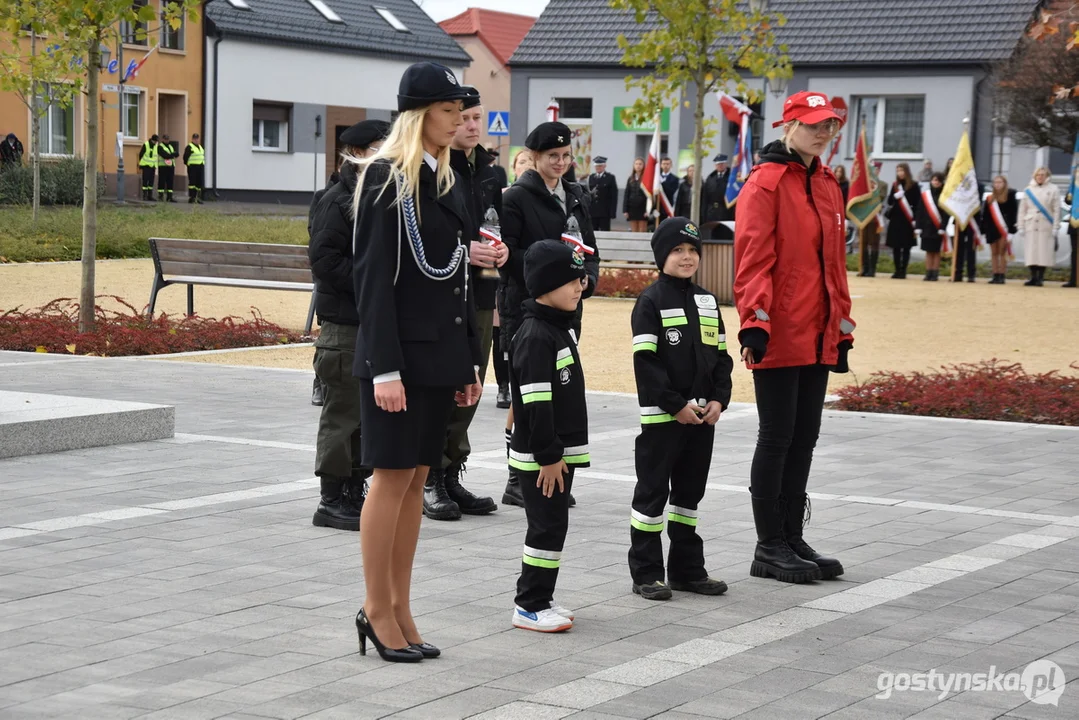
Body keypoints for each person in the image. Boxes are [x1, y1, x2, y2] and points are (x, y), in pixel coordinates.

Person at [350, 61, 481, 663]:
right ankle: (376, 608)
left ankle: (401, 606)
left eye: (460, 111)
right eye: (449, 110)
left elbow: (451, 281)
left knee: (417, 480)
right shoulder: (385, 179)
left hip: (436, 356)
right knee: (390, 478)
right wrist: (383, 368)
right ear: (419, 114)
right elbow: (373, 280)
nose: (458, 120)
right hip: (398, 359)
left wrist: (467, 363)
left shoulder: (442, 178)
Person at [734, 90, 854, 585]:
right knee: (777, 437)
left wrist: (842, 327)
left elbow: (834, 267)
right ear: (790, 126)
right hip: (780, 330)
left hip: (819, 331)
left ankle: (790, 534)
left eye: (829, 126)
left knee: (805, 438)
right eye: (814, 126)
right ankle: (768, 545)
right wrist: (755, 323)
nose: (823, 134)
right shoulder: (765, 184)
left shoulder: (827, 182)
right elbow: (753, 260)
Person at [628, 217, 733, 601]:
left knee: (689, 497)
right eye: (677, 251)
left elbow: (721, 355)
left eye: (692, 251)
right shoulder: (650, 301)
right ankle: (647, 573)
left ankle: (688, 570)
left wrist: (720, 398)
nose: (687, 258)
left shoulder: (707, 300)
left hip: (703, 419)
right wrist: (675, 405)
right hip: (664, 419)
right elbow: (647, 364)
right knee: (652, 496)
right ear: (661, 256)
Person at [498, 121, 600, 509]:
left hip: (567, 308)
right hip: (527, 309)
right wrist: (553, 269)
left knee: (559, 386)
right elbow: (507, 255)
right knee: (528, 392)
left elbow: (589, 249)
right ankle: (517, 475)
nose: (560, 162)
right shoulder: (517, 199)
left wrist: (586, 279)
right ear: (535, 158)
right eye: (551, 156)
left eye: (565, 156)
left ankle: (551, 472)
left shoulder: (576, 195)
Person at [424, 86, 505, 521]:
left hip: (483, 292)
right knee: (442, 386)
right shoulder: (434, 167)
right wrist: (463, 247)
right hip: (444, 292)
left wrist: (504, 250)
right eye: (463, 117)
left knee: (471, 386)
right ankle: (429, 476)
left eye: (476, 118)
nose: (470, 126)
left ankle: (452, 470)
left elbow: (500, 226)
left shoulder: (492, 172)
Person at [307, 119, 390, 532]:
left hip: (367, 323)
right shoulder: (336, 200)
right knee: (342, 415)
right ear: (356, 154)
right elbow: (324, 261)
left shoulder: (376, 197)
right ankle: (331, 498)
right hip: (344, 325)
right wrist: (372, 284)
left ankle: (354, 489)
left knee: (363, 417)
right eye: (379, 149)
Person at [508, 240, 589, 632]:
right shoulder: (537, 335)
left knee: (554, 524)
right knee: (546, 526)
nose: (580, 286)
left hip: (555, 452)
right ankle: (530, 604)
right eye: (571, 281)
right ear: (544, 285)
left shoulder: (557, 328)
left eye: (581, 278)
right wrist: (549, 455)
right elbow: (536, 403)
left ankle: (542, 596)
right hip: (544, 456)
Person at [1018, 166, 1062, 287]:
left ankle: (1040, 277)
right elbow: (1022, 210)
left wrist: (1055, 227)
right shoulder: (1028, 190)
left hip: (1046, 223)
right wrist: (1020, 226)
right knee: (1031, 252)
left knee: (1044, 251)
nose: (1040, 177)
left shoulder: (1053, 189)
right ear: (1034, 176)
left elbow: (1057, 209)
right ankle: (1033, 277)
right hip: (1031, 223)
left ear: (1047, 176)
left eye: (1043, 175)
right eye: (1038, 175)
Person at [981, 175, 1019, 285]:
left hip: (1004, 228)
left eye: (1000, 182)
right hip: (991, 229)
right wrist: (983, 230)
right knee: (994, 253)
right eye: (995, 182)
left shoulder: (1010, 197)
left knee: (1002, 252)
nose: (997, 184)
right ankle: (995, 274)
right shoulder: (989, 198)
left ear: (1004, 183)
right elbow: (985, 215)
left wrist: (1011, 231)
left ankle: (1002, 275)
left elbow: (1013, 214)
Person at [885, 162, 919, 279]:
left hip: (908, 220)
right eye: (898, 171)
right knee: (896, 246)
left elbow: (918, 203)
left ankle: (903, 270)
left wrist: (915, 219)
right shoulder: (895, 185)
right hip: (896, 219)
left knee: (906, 246)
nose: (900, 173)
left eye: (902, 170)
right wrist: (894, 196)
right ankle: (897, 270)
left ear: (907, 172)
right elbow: (889, 201)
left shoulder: (913, 185)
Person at [914, 172, 948, 281]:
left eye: (938, 181)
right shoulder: (925, 195)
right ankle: (928, 272)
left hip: (938, 228)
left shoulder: (944, 195)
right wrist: (918, 226)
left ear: (941, 182)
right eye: (934, 180)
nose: (936, 182)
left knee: (936, 252)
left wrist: (943, 227)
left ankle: (935, 273)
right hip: (926, 227)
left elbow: (946, 214)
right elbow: (920, 211)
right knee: (928, 251)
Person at [702, 154, 732, 240]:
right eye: (718, 164)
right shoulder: (711, 178)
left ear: (726, 164)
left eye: (722, 163)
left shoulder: (731, 177)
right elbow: (705, 198)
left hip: (727, 213)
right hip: (712, 213)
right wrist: (704, 215)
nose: (720, 166)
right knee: (713, 237)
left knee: (726, 237)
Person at [587, 156, 619, 232]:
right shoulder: (591, 177)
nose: (598, 168)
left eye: (600, 166)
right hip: (593, 211)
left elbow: (613, 196)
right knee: (592, 232)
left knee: (605, 231)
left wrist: (612, 212)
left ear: (604, 166)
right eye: (596, 166)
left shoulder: (610, 177)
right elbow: (588, 194)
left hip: (605, 211)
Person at [624, 157, 649, 232]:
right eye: (636, 164)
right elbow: (626, 194)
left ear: (643, 166)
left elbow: (649, 195)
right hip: (632, 208)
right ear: (634, 166)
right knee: (634, 230)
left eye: (640, 164)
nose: (638, 166)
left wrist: (648, 210)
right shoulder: (630, 178)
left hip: (643, 208)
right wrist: (625, 210)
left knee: (642, 230)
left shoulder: (647, 178)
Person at [183, 133, 205, 204]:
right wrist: (188, 164)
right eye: (195, 138)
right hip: (192, 167)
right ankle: (192, 197)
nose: (196, 140)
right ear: (192, 139)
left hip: (200, 166)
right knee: (192, 183)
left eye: (197, 138)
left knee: (199, 183)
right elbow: (185, 157)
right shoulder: (189, 147)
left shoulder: (200, 147)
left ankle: (197, 197)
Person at [155, 134, 178, 202]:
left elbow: (177, 153)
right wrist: (172, 155)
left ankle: (169, 197)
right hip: (163, 166)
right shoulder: (160, 147)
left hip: (171, 166)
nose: (166, 140)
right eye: (165, 139)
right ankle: (160, 196)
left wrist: (171, 155)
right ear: (162, 139)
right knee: (162, 181)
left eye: (167, 139)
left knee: (170, 182)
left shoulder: (171, 146)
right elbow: (165, 155)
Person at [138, 134, 159, 201]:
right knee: (145, 181)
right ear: (152, 140)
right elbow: (141, 154)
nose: (156, 143)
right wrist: (141, 164)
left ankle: (150, 196)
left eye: (156, 141)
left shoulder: (156, 146)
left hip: (152, 166)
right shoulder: (146, 145)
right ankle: (144, 195)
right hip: (146, 166)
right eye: (155, 141)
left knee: (151, 182)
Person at [1065, 192, 1078, 288]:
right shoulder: (1075, 186)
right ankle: (1073, 279)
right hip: (1075, 223)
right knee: (1075, 253)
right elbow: (1067, 201)